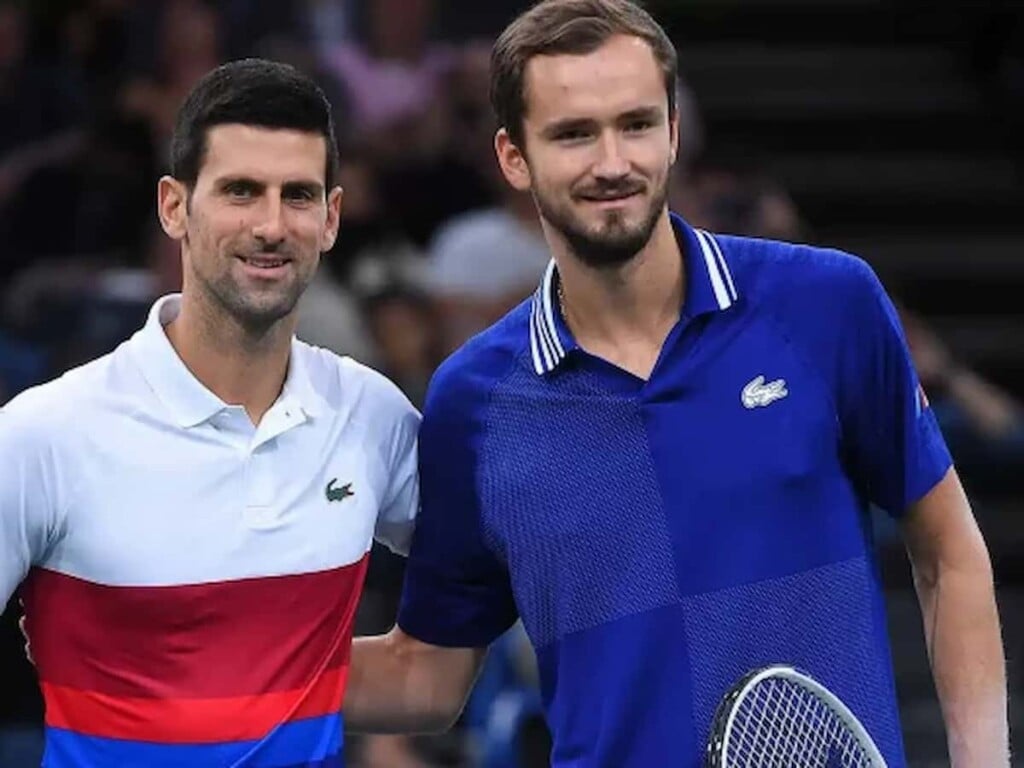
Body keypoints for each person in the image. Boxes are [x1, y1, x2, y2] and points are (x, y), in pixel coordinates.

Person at [342, 1, 1009, 766]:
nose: (613, 162)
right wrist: (220, 671)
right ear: (513, 156)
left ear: (674, 132)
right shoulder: (472, 403)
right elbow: (426, 676)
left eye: (635, 123)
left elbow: (950, 552)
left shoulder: (827, 306)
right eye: (573, 133)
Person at [0, 58, 420, 767]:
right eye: (240, 191)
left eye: (298, 196)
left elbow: (488, 582)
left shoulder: (373, 416)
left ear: (331, 219)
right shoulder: (45, 434)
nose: (270, 225)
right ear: (173, 207)